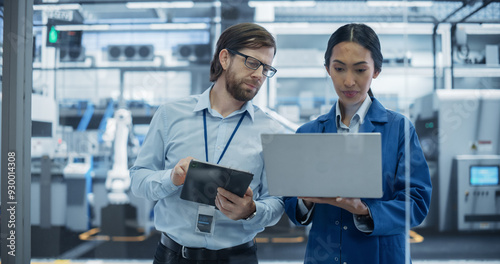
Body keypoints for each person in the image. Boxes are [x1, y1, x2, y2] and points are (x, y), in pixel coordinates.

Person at [130, 23, 285, 264]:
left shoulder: (271, 130)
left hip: (238, 257)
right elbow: (138, 180)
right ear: (225, 58)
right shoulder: (170, 115)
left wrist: (251, 210)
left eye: (266, 69)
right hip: (173, 256)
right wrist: (172, 178)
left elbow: (277, 202)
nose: (259, 75)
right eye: (253, 63)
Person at [284, 23, 432, 264]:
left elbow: (417, 202)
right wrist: (306, 199)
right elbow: (292, 206)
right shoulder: (308, 133)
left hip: (381, 256)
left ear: (376, 70)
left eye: (360, 70)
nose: (349, 81)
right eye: (339, 68)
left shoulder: (399, 129)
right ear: (327, 69)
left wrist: (364, 210)